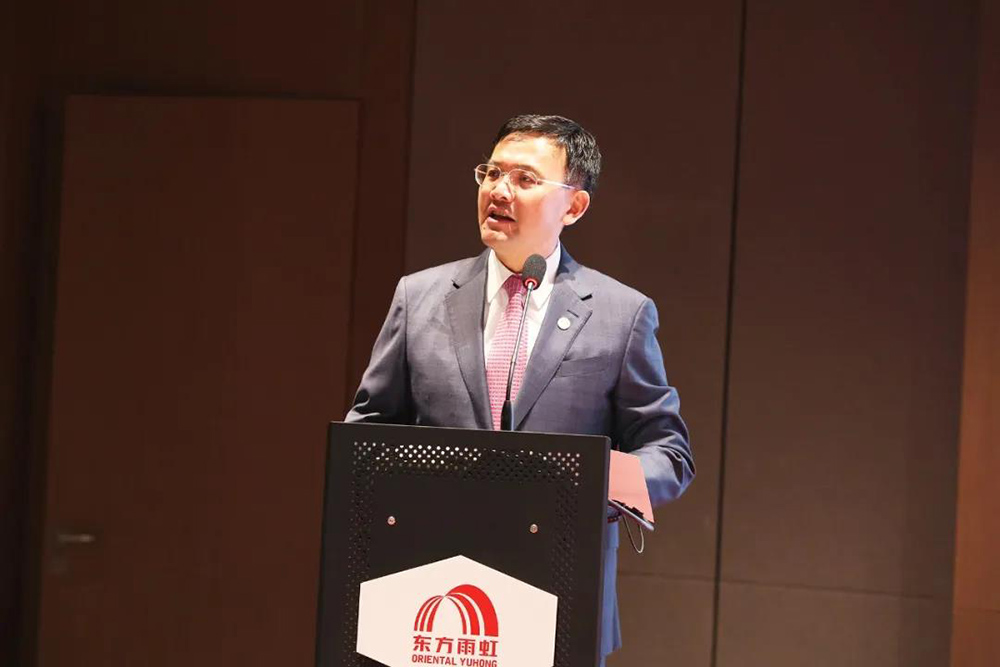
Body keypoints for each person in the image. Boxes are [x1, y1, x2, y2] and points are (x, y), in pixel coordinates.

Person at [346, 114, 694, 664]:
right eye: (491, 173)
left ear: (574, 207)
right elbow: (367, 436)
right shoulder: (419, 297)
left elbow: (669, 453)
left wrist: (592, 479)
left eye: (525, 179)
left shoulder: (620, 314)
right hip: (431, 593)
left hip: (560, 589)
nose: (499, 191)